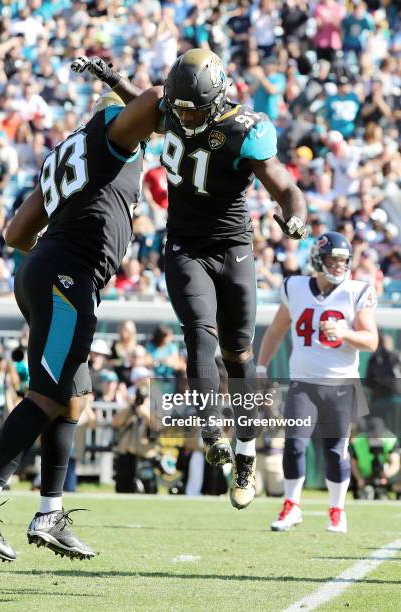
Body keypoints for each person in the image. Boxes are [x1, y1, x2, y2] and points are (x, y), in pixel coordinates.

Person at [79, 49, 307, 511]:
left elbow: (283, 185)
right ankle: (210, 428)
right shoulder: (176, 107)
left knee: (238, 355)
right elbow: (148, 104)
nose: (184, 116)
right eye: (179, 107)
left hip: (233, 247)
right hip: (185, 245)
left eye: (192, 108)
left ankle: (245, 452)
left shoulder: (245, 129)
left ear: (218, 96)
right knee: (198, 334)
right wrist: (114, 77)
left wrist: (295, 216)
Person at [0, 80, 162, 561]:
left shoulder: (67, 156)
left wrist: (56, 251)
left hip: (45, 270)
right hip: (68, 276)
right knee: (47, 394)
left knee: (75, 399)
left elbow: (16, 232)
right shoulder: (112, 136)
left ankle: (50, 512)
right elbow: (151, 100)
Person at [257, 231, 378, 533]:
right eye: (332, 260)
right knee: (294, 445)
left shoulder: (356, 291)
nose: (339, 266)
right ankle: (291, 506)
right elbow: (275, 331)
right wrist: (261, 368)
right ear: (317, 259)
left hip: (341, 384)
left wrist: (345, 333)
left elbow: (372, 340)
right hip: (304, 383)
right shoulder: (295, 287)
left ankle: (337, 511)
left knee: (336, 450)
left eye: (343, 261)